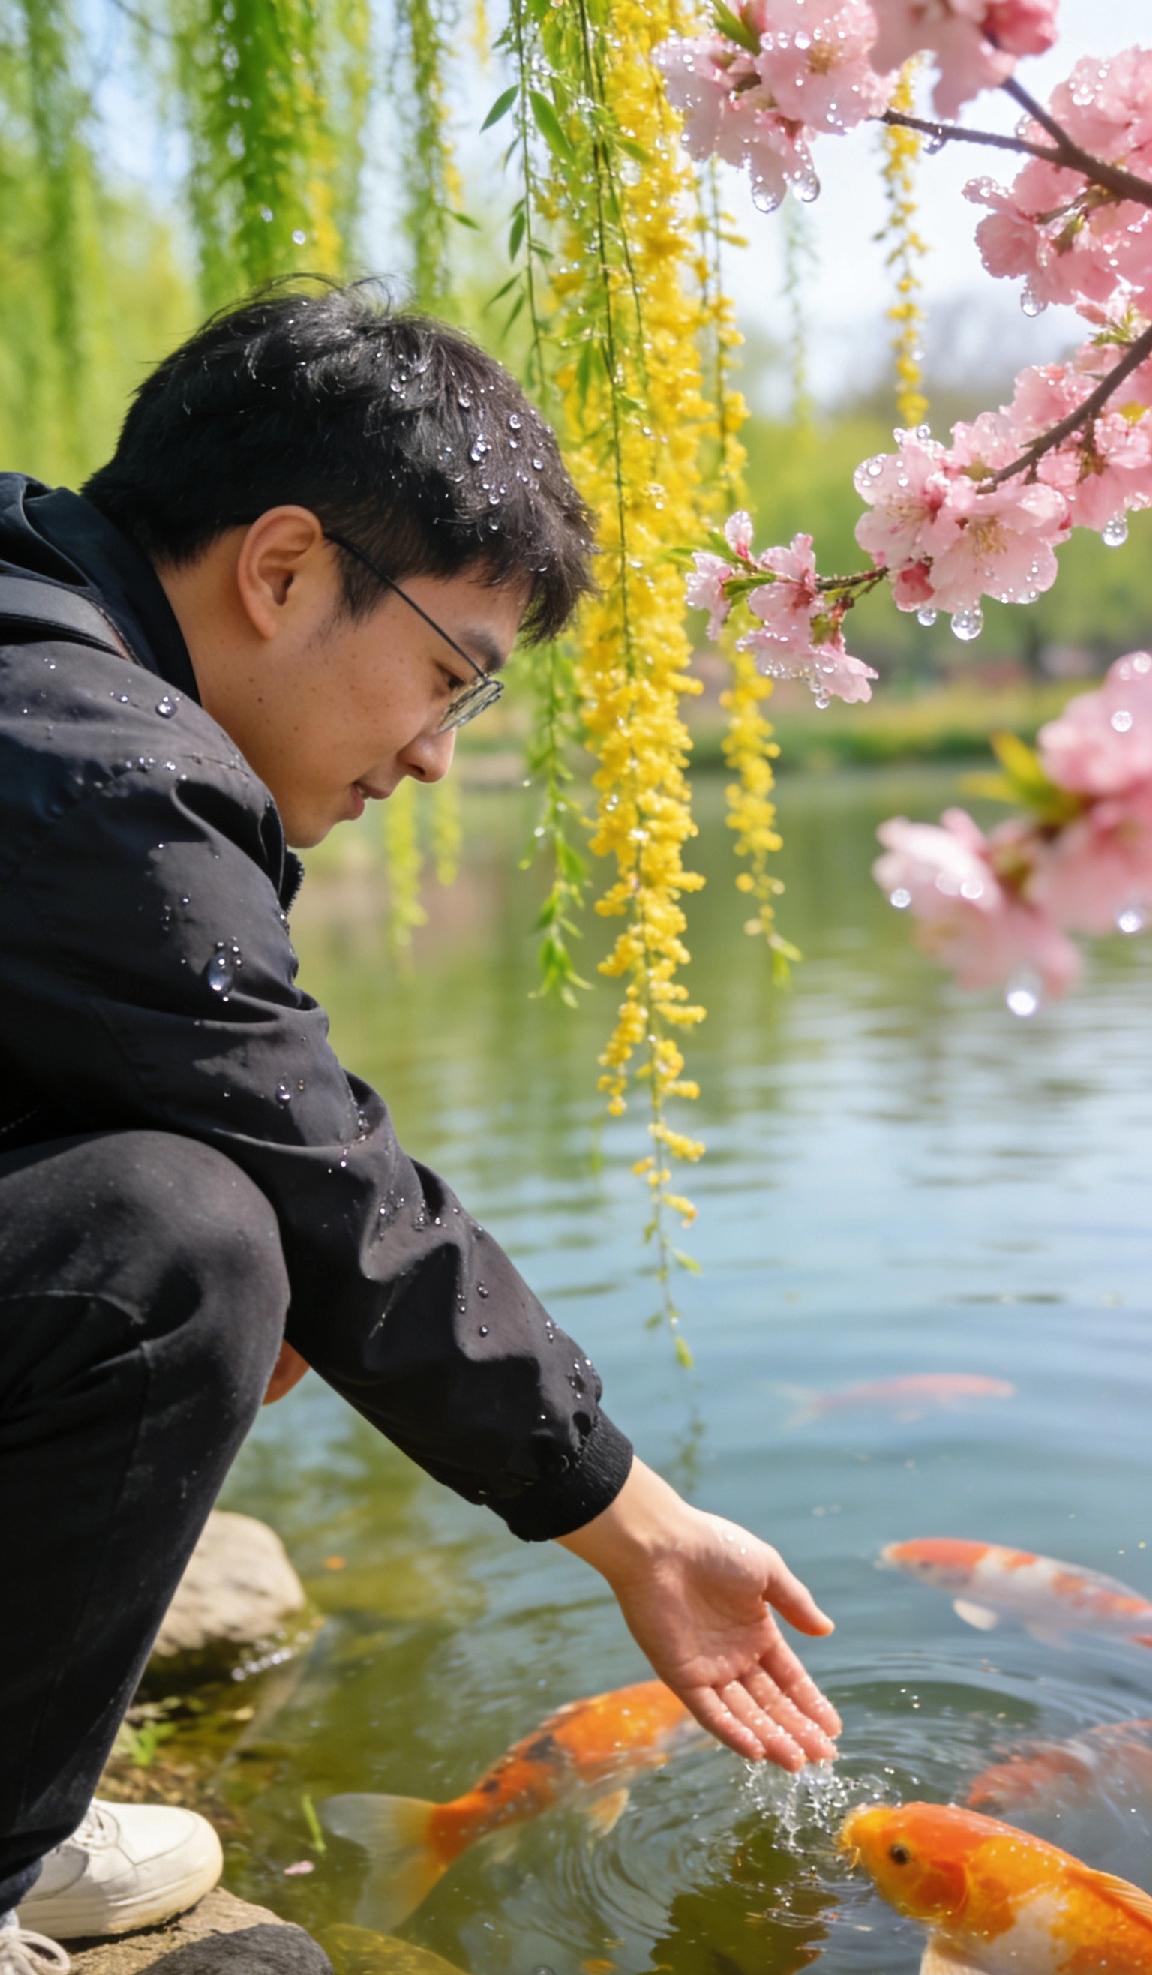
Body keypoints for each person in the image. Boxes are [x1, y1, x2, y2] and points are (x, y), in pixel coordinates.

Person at [0, 279, 841, 1975]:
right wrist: (637, 1524)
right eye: (450, 678)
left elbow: (252, 1109)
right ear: (284, 566)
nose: (440, 759)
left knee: (223, 1214)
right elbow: (332, 1182)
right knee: (181, 1240)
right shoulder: (86, 754)